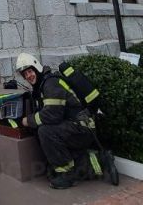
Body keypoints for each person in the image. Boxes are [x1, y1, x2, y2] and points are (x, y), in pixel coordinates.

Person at [16, 52, 110, 189]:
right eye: (25, 74)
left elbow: (52, 115)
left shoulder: (51, 83)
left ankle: (67, 175)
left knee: (45, 131)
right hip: (74, 127)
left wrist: (27, 121)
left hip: (82, 128)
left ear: (36, 67)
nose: (28, 76)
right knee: (45, 131)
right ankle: (98, 162)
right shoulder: (43, 85)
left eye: (30, 71)